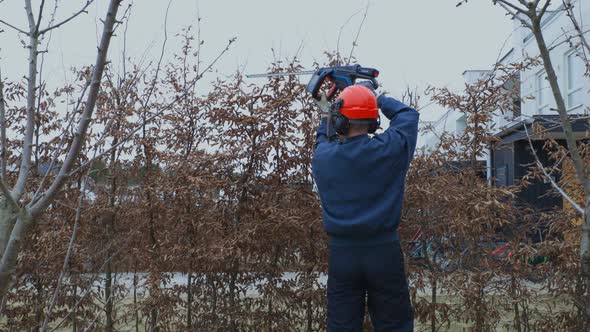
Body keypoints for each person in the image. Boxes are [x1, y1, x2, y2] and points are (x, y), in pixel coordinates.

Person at [312, 83, 419, 332]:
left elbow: (322, 138)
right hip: (384, 250)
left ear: (340, 122)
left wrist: (326, 113)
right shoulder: (390, 149)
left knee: (342, 326)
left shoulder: (323, 157)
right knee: (394, 325)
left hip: (343, 254)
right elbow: (408, 116)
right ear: (372, 122)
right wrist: (376, 97)